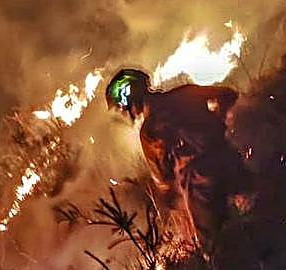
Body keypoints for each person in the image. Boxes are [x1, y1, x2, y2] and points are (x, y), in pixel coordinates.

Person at [105, 67, 249, 250]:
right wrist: (217, 123)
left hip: (198, 183)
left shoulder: (149, 131)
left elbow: (164, 180)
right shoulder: (184, 94)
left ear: (131, 103)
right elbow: (228, 95)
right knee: (259, 210)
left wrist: (174, 202)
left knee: (216, 246)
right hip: (227, 158)